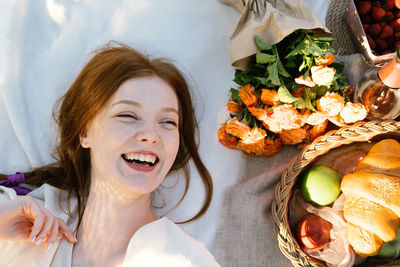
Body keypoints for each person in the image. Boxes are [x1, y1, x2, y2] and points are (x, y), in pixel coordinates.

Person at [0, 42, 220, 267]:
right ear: (85, 132)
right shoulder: (26, 216)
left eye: (167, 121)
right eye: (128, 115)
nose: (151, 135)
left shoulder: (187, 260)